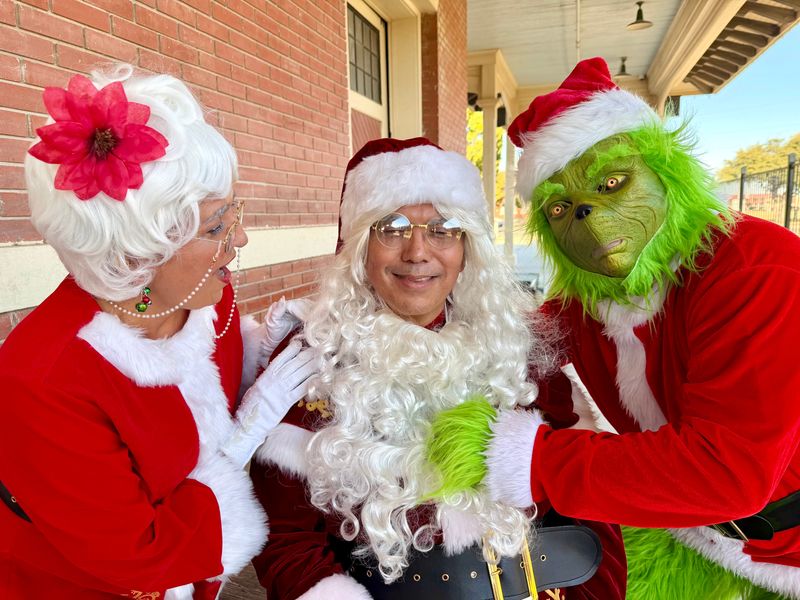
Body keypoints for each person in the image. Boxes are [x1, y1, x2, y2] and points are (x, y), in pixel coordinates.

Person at [426, 57, 800, 599]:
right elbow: (513, 340)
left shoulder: (757, 269)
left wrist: (523, 458)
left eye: (613, 182)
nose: (592, 219)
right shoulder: (590, 302)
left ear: (668, 174)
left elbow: (726, 471)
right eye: (562, 209)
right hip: (691, 530)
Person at [248, 137, 627, 600]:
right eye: (392, 228)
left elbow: (581, 497)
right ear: (359, 247)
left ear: (467, 247)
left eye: (443, 229)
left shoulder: (515, 343)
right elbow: (285, 541)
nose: (417, 252)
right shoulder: (312, 356)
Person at [0, 65, 315, 599]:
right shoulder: (41, 382)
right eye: (217, 225)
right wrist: (247, 436)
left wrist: (264, 352)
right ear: (139, 254)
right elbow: (140, 554)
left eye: (233, 212)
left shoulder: (204, 303)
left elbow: (204, 399)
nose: (240, 238)